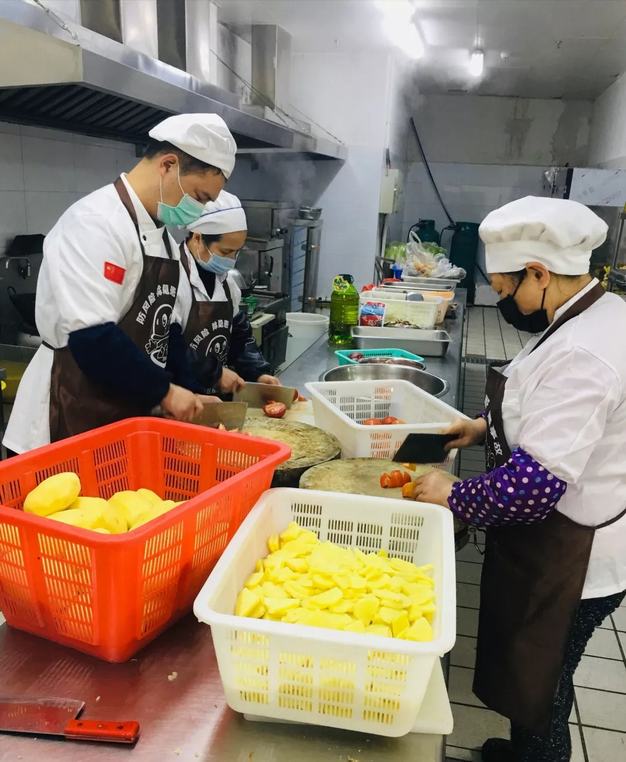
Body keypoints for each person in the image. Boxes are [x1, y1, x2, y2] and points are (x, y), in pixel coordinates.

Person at [410, 196, 626, 762]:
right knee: (534, 674)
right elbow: (549, 409)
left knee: (545, 685)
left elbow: (531, 488)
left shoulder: (585, 352)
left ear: (539, 272)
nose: (504, 301)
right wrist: (482, 427)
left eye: (506, 290)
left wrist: (453, 493)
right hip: (559, 538)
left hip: (575, 553)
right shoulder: (591, 311)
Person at [3, 113, 237, 455]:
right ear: (168, 165)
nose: (198, 210)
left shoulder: (162, 237)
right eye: (199, 197)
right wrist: (166, 392)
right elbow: (92, 338)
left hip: (120, 411)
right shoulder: (96, 223)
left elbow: (164, 331)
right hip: (66, 410)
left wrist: (191, 389)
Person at [178, 191, 280, 393]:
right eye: (225, 252)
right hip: (177, 400)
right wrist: (214, 373)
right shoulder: (172, 278)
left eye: (237, 251)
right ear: (198, 238)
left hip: (215, 400)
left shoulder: (227, 284)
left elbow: (240, 339)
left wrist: (258, 372)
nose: (232, 260)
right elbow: (169, 349)